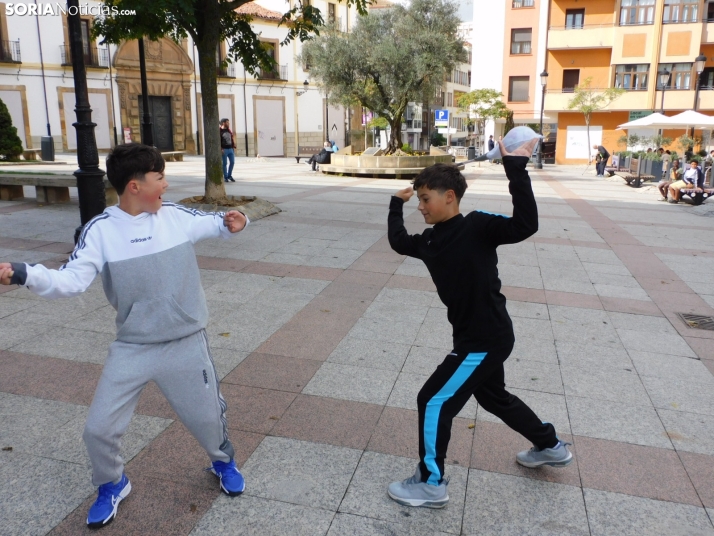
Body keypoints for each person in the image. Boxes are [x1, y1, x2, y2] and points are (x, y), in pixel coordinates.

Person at [0, 143, 249, 529]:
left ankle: (223, 462)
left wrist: (237, 221)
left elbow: (216, 223)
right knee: (98, 429)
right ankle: (113, 483)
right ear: (135, 186)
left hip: (185, 341)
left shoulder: (174, 217)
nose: (166, 184)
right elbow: (70, 281)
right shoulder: (100, 231)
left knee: (207, 419)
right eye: (159, 177)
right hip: (133, 347)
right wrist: (24, 272)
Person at [386, 137, 572, 509]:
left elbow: (525, 224)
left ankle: (430, 481)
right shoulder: (430, 242)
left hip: (484, 338)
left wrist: (515, 169)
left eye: (426, 199)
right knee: (494, 397)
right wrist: (396, 204)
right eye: (419, 199)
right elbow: (398, 241)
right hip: (479, 336)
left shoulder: (479, 226)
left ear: (450, 196)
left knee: (433, 400)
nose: (420, 206)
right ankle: (549, 445)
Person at [220, 118, 236, 182]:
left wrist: (233, 146)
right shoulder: (220, 131)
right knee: (224, 163)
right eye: (227, 122)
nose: (228, 123)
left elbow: (231, 139)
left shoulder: (229, 130)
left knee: (232, 162)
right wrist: (221, 149)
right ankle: (225, 177)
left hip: (230, 149)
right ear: (223, 123)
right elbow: (218, 141)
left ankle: (229, 175)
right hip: (224, 149)